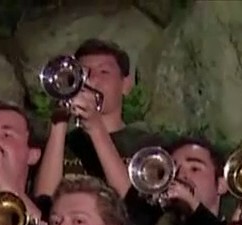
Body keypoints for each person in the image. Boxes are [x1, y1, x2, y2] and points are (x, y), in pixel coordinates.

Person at [33, 39, 157, 200]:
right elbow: (45, 201)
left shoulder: (146, 145)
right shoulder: (63, 144)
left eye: (104, 72)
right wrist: (59, 121)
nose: (92, 80)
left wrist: (95, 126)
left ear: (126, 85)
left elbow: (132, 206)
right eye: (84, 72)